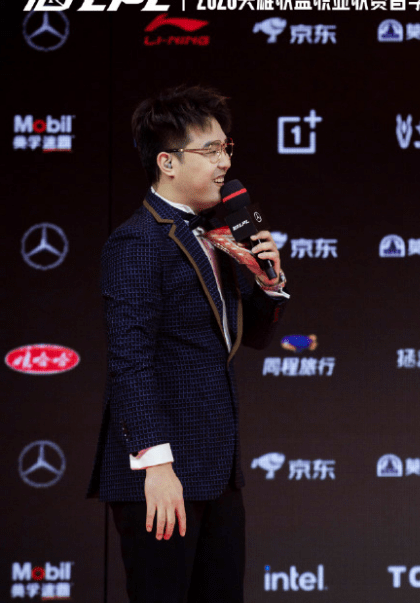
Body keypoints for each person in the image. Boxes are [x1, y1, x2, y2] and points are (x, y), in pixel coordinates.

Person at [87, 85, 288, 602]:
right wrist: (156, 466)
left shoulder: (219, 234)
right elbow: (130, 360)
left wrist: (268, 284)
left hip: (216, 471)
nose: (225, 163)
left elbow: (253, 336)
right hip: (162, 474)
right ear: (167, 163)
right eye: (210, 150)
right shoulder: (137, 241)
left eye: (227, 148)